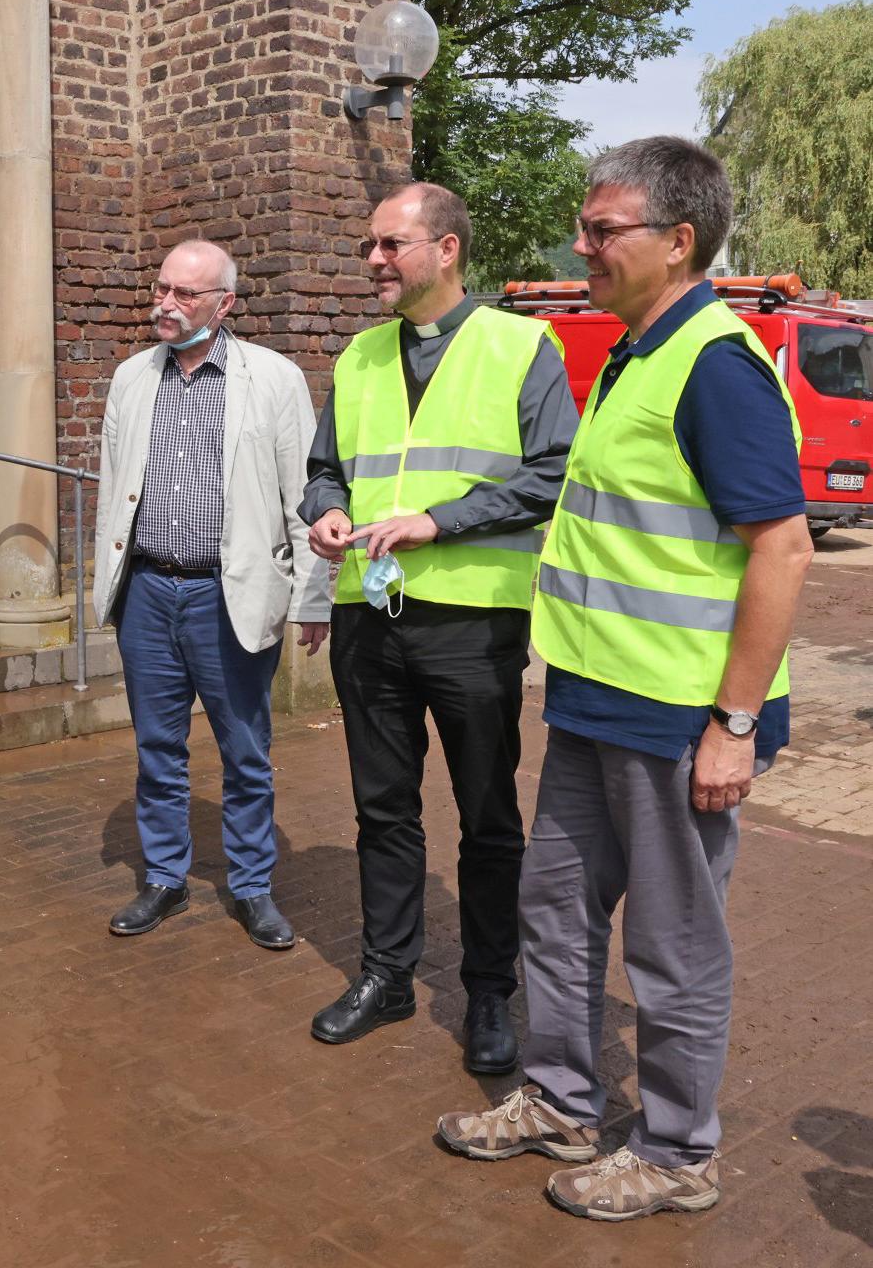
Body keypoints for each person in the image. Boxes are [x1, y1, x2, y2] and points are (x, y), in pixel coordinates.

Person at [437, 137, 813, 1221]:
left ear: (678, 241)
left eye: (605, 230)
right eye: (587, 226)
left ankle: (678, 1151)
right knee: (553, 909)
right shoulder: (636, 352)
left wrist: (735, 723)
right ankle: (561, 1098)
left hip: (678, 715)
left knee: (671, 942)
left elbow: (782, 550)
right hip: (597, 698)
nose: (582, 245)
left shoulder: (716, 365)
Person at [299, 183, 577, 1069]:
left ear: (447, 249)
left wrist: (439, 520)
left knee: (488, 817)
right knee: (382, 811)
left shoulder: (521, 345)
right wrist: (325, 511)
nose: (374, 261)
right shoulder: (357, 358)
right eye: (370, 247)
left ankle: (489, 993)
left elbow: (553, 473)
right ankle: (385, 973)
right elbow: (322, 470)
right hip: (369, 615)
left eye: (391, 245)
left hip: (472, 622)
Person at [93, 239, 330, 951]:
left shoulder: (274, 379)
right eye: (161, 288)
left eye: (184, 294)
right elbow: (113, 487)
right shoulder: (131, 378)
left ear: (223, 304)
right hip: (147, 592)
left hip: (226, 596)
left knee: (244, 750)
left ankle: (252, 885)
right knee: (156, 748)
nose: (165, 303)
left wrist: (312, 597)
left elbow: (305, 495)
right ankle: (163, 877)